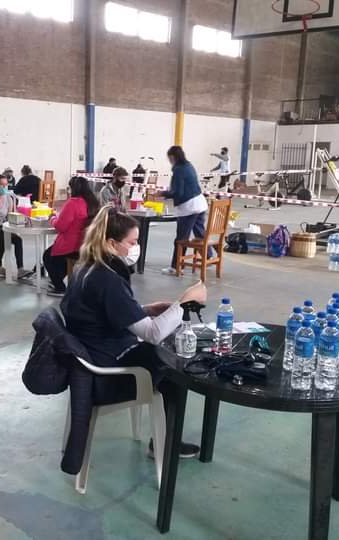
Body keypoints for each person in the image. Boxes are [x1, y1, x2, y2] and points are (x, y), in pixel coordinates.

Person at [61, 206, 206, 458]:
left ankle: (164, 438)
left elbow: (102, 313)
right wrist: (184, 302)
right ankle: (166, 444)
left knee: (165, 355)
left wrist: (146, 309)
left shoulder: (85, 268)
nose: (136, 247)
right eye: (132, 242)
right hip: (109, 373)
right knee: (175, 365)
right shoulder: (107, 279)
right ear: (111, 243)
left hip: (92, 357)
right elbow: (153, 333)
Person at [42, 176, 99, 297]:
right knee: (60, 261)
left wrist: (52, 218)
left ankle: (59, 287)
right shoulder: (93, 203)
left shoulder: (73, 203)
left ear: (73, 188)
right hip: (87, 244)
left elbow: (61, 226)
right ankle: (57, 280)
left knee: (47, 256)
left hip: (71, 245)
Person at [161, 146, 209, 276]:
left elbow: (178, 192)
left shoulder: (178, 170)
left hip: (189, 207)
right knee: (200, 234)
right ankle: (208, 256)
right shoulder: (189, 165)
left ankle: (176, 266)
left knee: (181, 239)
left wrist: (162, 194)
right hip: (200, 204)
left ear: (172, 157)